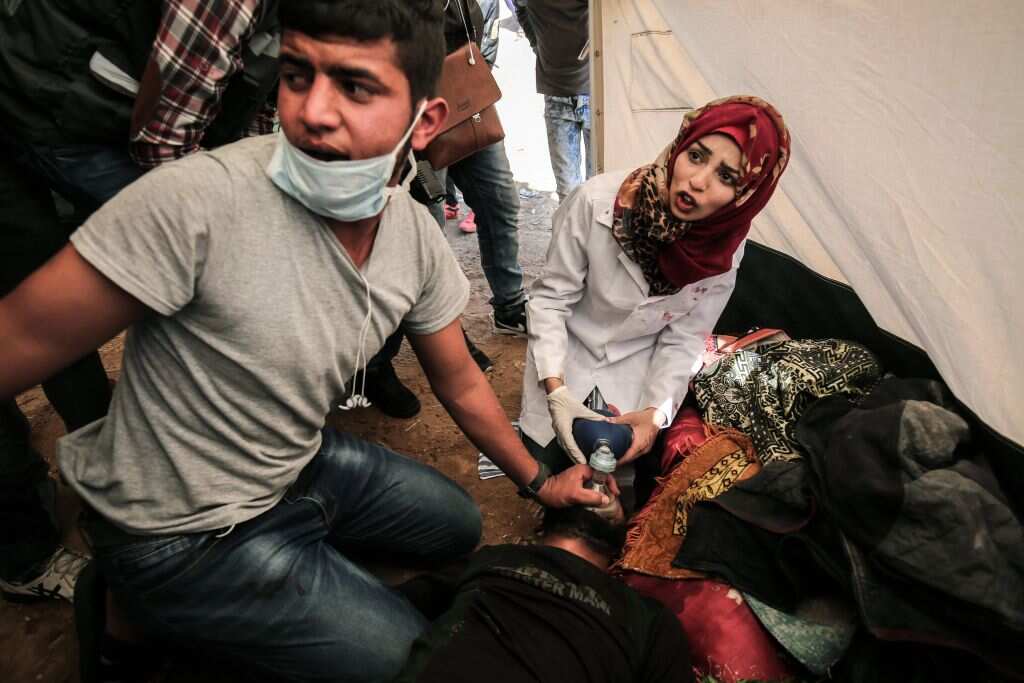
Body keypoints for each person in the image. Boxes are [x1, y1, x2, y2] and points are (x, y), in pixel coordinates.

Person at [0, 1, 609, 680]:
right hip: (182, 531)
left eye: (355, 86)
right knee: (411, 662)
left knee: (457, 525)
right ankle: (127, 613)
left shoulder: (412, 239)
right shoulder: (197, 201)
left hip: (291, 465)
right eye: (296, 75)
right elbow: (17, 336)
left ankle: (218, 585)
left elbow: (462, 380)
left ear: (427, 119)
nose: (313, 112)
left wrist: (539, 479)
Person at [0, 0, 279, 603]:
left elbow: (245, 107)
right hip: (45, 107)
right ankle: (30, 550)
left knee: (55, 307)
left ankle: (114, 473)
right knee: (189, 272)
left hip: (65, 93)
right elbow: (165, 151)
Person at [519, 96, 791, 470]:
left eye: (726, 176)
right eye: (696, 156)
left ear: (746, 195)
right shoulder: (594, 201)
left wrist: (654, 413)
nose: (697, 181)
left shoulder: (724, 250)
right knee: (542, 465)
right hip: (568, 353)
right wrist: (556, 389)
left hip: (638, 368)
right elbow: (550, 301)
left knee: (622, 479)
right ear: (680, 144)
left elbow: (684, 338)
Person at [361, 0, 530, 419]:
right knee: (422, 237)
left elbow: (475, 23)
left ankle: (509, 307)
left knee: (500, 203)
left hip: (461, 95)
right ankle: (379, 363)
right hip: (404, 106)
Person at [392, 505, 693, 682]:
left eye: (613, 494)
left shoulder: (648, 618)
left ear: (619, 554)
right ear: (540, 525)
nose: (600, 486)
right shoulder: (495, 556)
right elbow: (403, 602)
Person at [516, 0, 594, 202]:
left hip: (596, 89)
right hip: (557, 90)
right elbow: (520, 8)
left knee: (598, 190)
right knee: (569, 196)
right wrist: (538, 46)